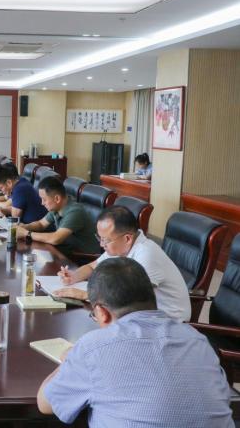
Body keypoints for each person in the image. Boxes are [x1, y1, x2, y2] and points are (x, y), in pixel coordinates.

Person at [37, 257, 233, 427]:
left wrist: (69, 359)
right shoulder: (198, 340)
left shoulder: (93, 348)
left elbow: (45, 404)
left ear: (102, 312)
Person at [54, 206, 191, 322]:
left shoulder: (147, 254)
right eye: (99, 238)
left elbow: (130, 297)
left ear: (127, 238)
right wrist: (73, 276)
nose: (101, 245)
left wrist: (84, 295)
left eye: (105, 240)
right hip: (139, 314)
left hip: (168, 322)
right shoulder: (119, 246)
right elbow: (92, 267)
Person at [15, 176, 101, 255]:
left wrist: (26, 233)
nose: (42, 203)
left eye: (44, 199)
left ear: (57, 199)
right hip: (67, 249)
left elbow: (56, 239)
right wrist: (24, 227)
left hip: (84, 257)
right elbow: (41, 224)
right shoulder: (57, 207)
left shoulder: (75, 212)